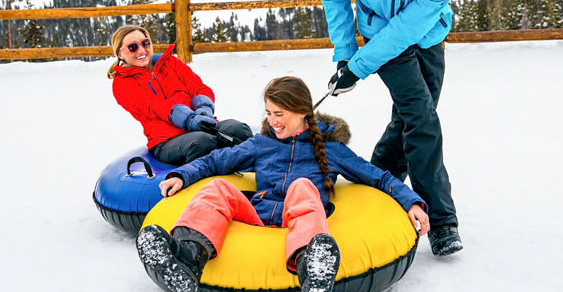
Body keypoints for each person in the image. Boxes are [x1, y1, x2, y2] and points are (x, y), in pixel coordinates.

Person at [135, 76, 429, 292]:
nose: (273, 122)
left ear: (302, 112)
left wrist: (412, 202)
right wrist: (180, 175)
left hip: (302, 222)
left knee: (302, 185)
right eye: (268, 113)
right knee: (217, 189)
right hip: (258, 218)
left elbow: (377, 176)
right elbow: (215, 161)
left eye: (280, 114)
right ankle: (186, 260)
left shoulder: (330, 150)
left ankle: (312, 268)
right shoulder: (261, 145)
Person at [321, 0, 463, 256]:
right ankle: (442, 221)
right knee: (421, 116)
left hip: (427, 37)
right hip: (379, 42)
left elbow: (405, 30)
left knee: (409, 118)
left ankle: (379, 181)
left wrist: (357, 67)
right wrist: (345, 53)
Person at [108, 24, 252, 165]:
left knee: (238, 130)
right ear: (120, 53)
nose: (141, 50)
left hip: (202, 126)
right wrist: (189, 119)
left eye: (145, 43)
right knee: (202, 143)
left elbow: (198, 87)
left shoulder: (170, 63)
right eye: (132, 47)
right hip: (165, 141)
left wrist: (203, 111)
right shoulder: (122, 83)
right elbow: (155, 107)